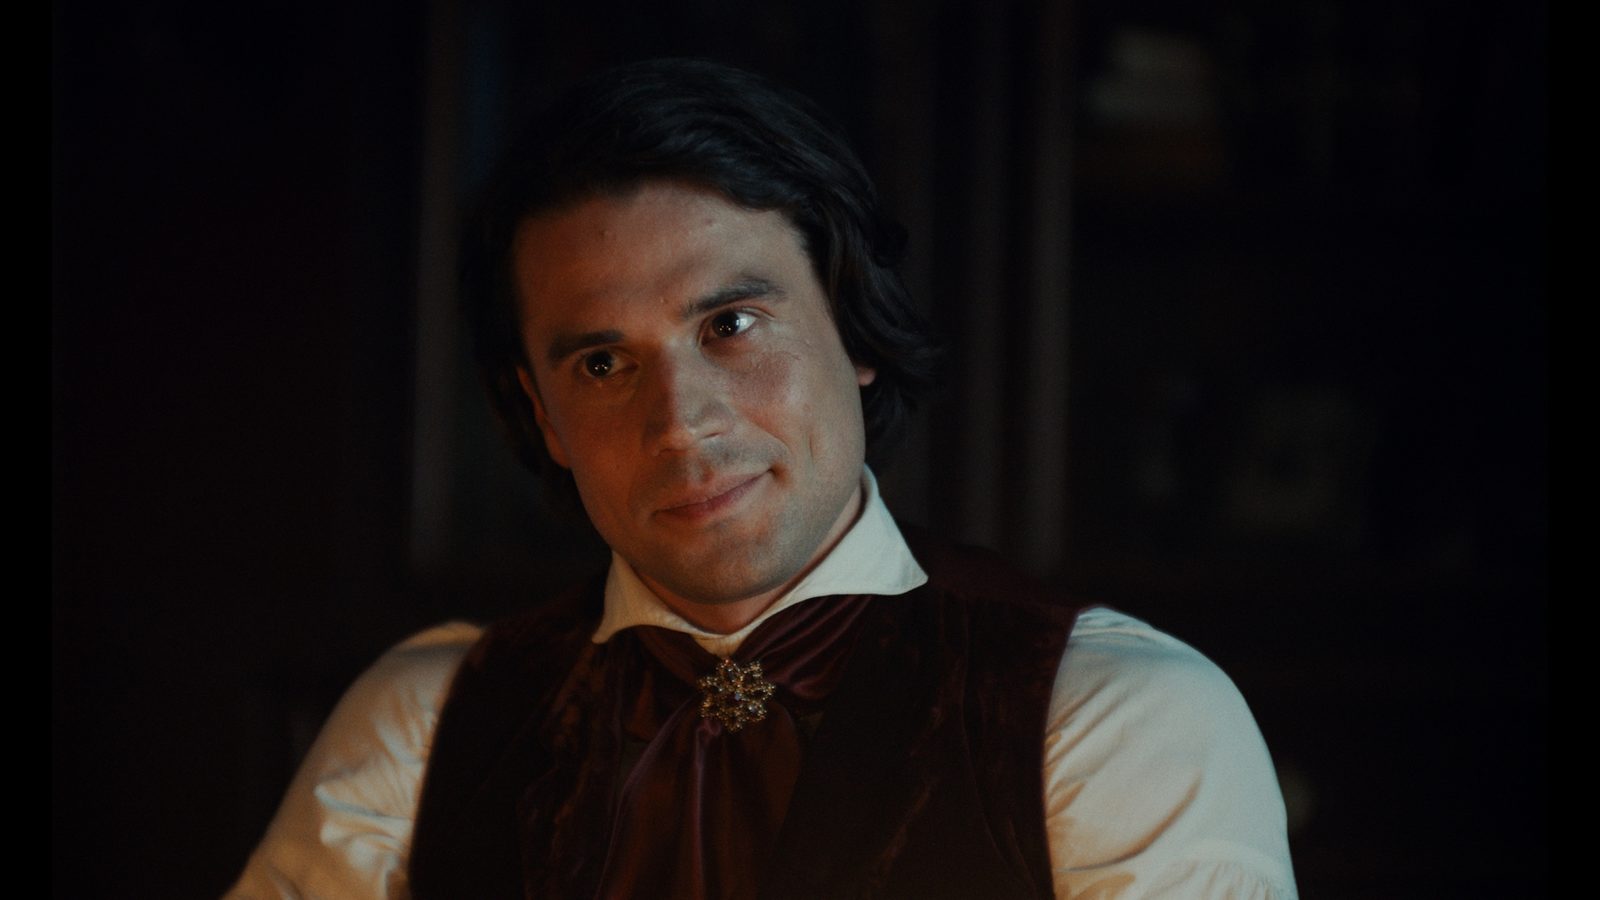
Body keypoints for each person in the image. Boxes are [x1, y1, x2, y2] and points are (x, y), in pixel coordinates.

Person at [227, 58, 1297, 899]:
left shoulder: (1117, 717)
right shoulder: (427, 719)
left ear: (854, 325)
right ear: (541, 413)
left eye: (730, 325)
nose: (680, 425)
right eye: (601, 364)